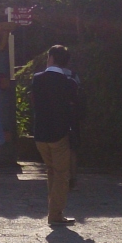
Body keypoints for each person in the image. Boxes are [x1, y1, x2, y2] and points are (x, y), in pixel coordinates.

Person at [31, 45, 83, 225]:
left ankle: (53, 208)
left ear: (51, 58)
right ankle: (55, 214)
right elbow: (76, 107)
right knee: (61, 174)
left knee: (51, 170)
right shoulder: (69, 83)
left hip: (40, 133)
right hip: (59, 134)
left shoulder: (37, 79)